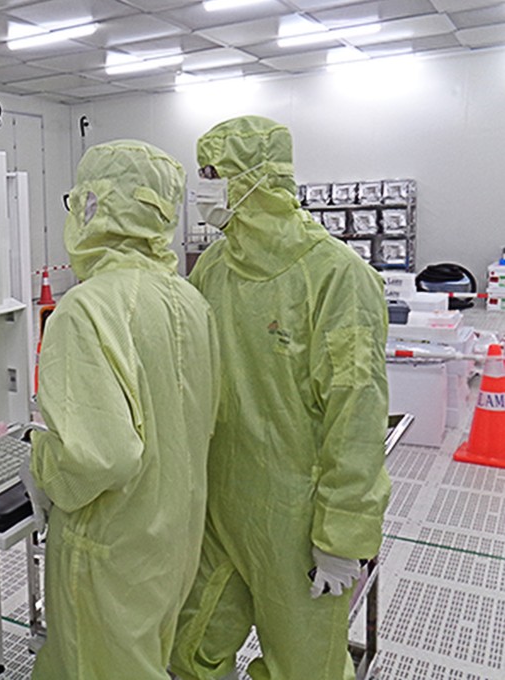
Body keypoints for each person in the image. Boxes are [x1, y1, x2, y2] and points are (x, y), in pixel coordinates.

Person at [169, 116, 390, 680]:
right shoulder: (214, 267)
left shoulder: (337, 276)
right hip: (220, 504)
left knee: (304, 668)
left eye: (214, 173)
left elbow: (357, 411)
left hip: (294, 519)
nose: (204, 187)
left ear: (255, 178)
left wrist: (342, 534)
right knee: (190, 648)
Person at [21, 139, 219, 680]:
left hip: (108, 548)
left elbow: (100, 457)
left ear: (92, 204)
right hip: (171, 538)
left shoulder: (87, 307)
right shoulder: (190, 300)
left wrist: (39, 465)